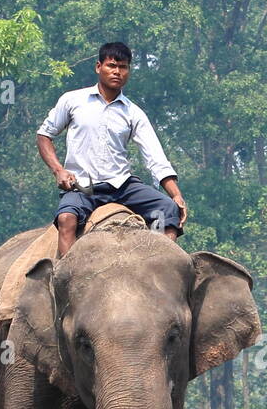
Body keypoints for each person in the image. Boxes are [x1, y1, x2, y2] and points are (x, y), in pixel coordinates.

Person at [36, 41, 187, 256]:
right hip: (83, 186)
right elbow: (44, 135)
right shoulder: (73, 100)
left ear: (129, 71)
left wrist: (176, 195)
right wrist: (58, 170)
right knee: (66, 219)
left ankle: (155, 264)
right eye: (111, 65)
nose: (117, 72)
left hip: (122, 186)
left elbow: (155, 158)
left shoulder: (133, 113)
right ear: (99, 67)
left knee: (167, 211)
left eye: (123, 67)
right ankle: (64, 279)